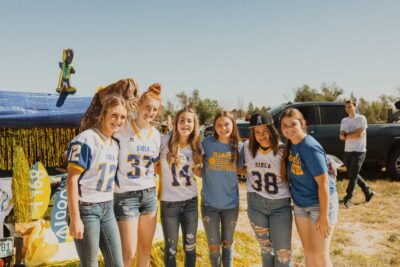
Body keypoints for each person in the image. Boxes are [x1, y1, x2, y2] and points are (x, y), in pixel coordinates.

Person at [67, 94, 128, 267]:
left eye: (122, 117)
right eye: (114, 115)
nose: (118, 120)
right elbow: (72, 179)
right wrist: (75, 218)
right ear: (103, 115)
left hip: (107, 208)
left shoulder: (114, 144)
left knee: (117, 263)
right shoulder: (86, 139)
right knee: (90, 264)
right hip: (86, 208)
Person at [281, 108, 338, 267]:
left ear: (303, 124)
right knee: (309, 252)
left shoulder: (309, 146)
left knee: (321, 256)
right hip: (301, 204)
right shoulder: (291, 145)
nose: (289, 128)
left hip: (319, 205)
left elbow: (324, 183)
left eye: (293, 124)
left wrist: (325, 216)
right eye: (284, 125)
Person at [113, 83, 162, 267]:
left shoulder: (156, 135)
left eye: (154, 109)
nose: (150, 112)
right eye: (147, 107)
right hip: (126, 196)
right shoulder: (123, 127)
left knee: (145, 251)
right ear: (139, 104)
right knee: (128, 254)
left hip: (149, 195)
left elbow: (157, 166)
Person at [240, 113, 292, 267]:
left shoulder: (284, 150)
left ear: (272, 130)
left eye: (265, 131)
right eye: (257, 131)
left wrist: (328, 162)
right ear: (252, 133)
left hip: (280, 205)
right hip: (256, 204)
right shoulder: (247, 148)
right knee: (266, 250)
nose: (261, 135)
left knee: (283, 252)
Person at [159, 107, 203, 267]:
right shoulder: (163, 141)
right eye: (182, 120)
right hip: (169, 203)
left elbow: (199, 172)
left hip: (190, 202)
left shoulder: (197, 144)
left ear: (194, 124)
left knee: (190, 247)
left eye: (189, 121)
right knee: (171, 248)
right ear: (176, 123)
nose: (185, 124)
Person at [201, 111, 241, 267]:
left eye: (226, 124)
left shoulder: (239, 146)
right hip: (209, 204)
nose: (223, 128)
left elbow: (242, 169)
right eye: (219, 125)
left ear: (233, 125)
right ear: (214, 127)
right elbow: (198, 164)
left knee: (228, 243)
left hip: (231, 204)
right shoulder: (206, 144)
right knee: (213, 246)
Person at [339, 99, 374, 208]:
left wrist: (346, 135)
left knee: (353, 176)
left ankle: (348, 198)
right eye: (346, 107)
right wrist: (349, 135)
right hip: (347, 151)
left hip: (359, 151)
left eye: (350, 106)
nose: (348, 108)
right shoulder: (344, 120)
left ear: (355, 107)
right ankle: (368, 192)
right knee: (353, 174)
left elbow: (359, 134)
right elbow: (341, 136)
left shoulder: (361, 118)